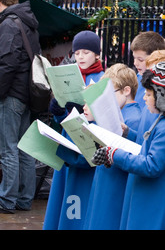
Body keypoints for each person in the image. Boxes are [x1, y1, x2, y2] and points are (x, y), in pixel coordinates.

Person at [92, 59, 165, 230]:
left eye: (149, 94)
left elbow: (151, 166)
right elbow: (148, 146)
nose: (144, 97)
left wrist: (113, 154)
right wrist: (128, 134)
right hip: (156, 200)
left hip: (161, 204)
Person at [45, 30, 104, 229]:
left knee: (82, 198)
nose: (80, 57)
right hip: (69, 140)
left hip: (88, 146)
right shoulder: (71, 76)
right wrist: (59, 112)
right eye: (77, 52)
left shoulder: (103, 79)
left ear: (97, 54)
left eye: (86, 52)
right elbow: (62, 117)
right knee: (67, 194)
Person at [84, 63, 141, 229]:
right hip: (106, 181)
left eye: (109, 94)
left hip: (116, 185)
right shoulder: (122, 113)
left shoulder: (132, 118)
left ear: (126, 91)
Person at [0, 0, 40, 214]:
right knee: (24, 149)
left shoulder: (8, 24)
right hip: (28, 94)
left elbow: (7, 63)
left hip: (11, 94)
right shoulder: (28, 23)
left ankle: (6, 200)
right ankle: (25, 199)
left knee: (8, 149)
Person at [130, 31, 165, 111]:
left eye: (140, 59)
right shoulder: (138, 77)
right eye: (134, 58)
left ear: (156, 59)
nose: (135, 63)